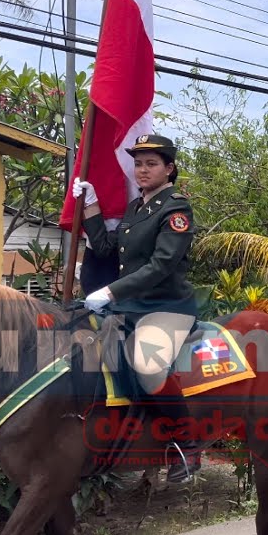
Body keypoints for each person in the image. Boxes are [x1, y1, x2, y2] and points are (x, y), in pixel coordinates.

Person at [71, 134, 200, 483]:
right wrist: (91, 205)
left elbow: (160, 266)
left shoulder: (176, 208)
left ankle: (187, 445)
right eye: (138, 163)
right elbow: (104, 246)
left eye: (151, 163)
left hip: (168, 306)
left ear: (168, 169)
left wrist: (110, 292)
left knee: (147, 366)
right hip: (133, 306)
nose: (142, 170)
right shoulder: (135, 208)